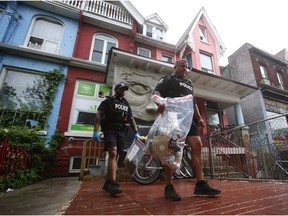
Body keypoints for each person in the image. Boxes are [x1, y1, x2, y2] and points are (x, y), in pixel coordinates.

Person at [153, 59, 221, 201]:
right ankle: (169, 187)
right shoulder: (167, 79)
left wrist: (200, 118)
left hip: (189, 119)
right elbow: (157, 93)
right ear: (175, 67)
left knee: (197, 146)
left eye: (186, 67)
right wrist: (160, 104)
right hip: (173, 117)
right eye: (182, 66)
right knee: (170, 151)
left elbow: (192, 102)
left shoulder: (189, 84)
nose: (185, 69)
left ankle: (200, 184)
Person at [93, 82, 140, 195]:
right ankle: (113, 183)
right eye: (121, 89)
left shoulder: (126, 104)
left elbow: (131, 119)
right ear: (116, 89)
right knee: (113, 153)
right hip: (110, 130)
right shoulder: (108, 101)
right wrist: (96, 130)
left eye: (124, 90)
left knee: (118, 155)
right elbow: (98, 115)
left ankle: (108, 182)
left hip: (121, 131)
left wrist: (136, 132)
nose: (123, 91)